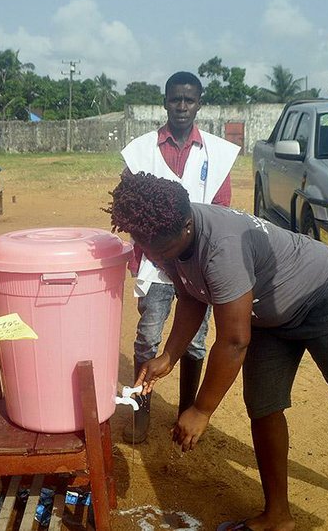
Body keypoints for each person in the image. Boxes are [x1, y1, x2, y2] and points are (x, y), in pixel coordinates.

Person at [106, 171, 328, 531]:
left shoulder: (222, 246)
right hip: (268, 315)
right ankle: (277, 515)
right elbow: (191, 294)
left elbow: (234, 341)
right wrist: (169, 356)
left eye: (161, 250)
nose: (155, 256)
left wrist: (201, 410)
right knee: (263, 406)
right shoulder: (165, 234)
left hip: (323, 295)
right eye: (148, 247)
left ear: (187, 226)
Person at [120, 71, 240, 443]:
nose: (182, 106)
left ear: (199, 103)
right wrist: (147, 253)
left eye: (189, 100)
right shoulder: (142, 150)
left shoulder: (216, 154)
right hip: (157, 264)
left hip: (198, 264)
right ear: (165, 102)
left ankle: (187, 410)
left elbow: (221, 208)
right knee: (147, 338)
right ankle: (141, 415)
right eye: (176, 100)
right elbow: (128, 206)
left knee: (196, 340)